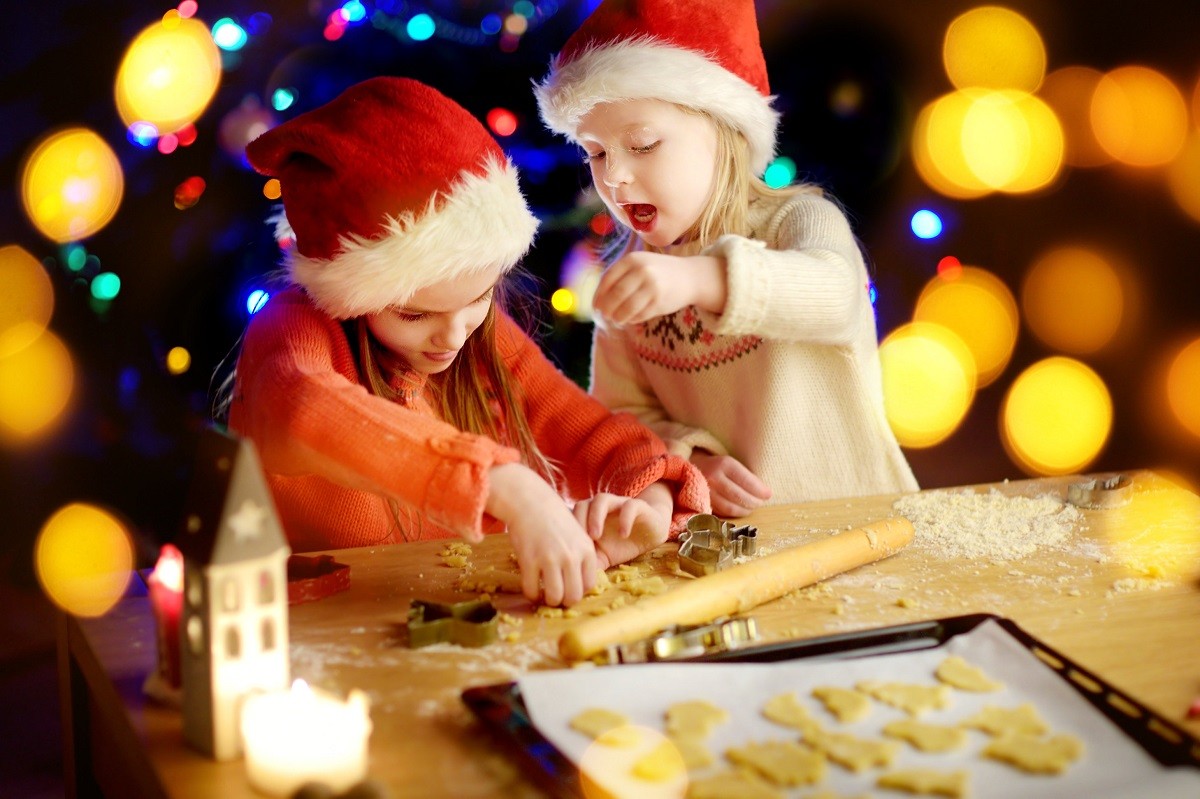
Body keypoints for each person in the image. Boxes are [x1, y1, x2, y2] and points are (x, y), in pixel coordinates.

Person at [224, 77, 709, 607]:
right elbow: (303, 413)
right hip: (318, 641)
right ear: (348, 293)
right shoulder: (290, 330)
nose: (454, 335)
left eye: (479, 298)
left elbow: (589, 431)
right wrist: (508, 486)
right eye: (413, 314)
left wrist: (649, 498)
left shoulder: (482, 334)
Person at [534, 0, 918, 517]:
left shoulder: (795, 221)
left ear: (725, 132)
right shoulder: (634, 274)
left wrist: (704, 278)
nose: (614, 177)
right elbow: (623, 415)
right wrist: (693, 464)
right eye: (597, 153)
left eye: (643, 144)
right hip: (736, 552)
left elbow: (837, 295)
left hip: (864, 525)